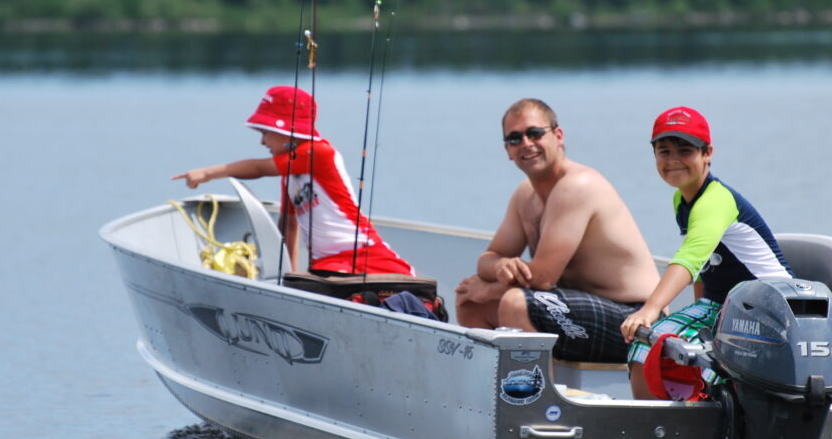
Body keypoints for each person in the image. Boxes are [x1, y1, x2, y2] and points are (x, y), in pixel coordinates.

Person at [455, 98, 661, 363]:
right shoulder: (524, 196)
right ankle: (494, 395)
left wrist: (489, 289)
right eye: (515, 138)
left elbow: (542, 278)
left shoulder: (577, 185)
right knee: (470, 302)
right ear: (508, 150)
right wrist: (500, 267)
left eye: (535, 133)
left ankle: (535, 401)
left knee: (515, 303)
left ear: (558, 135)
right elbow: (489, 257)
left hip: (637, 320)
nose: (526, 143)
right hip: (582, 309)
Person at [620, 106, 793, 399]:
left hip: (770, 310)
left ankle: (666, 429)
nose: (673, 160)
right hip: (724, 305)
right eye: (664, 152)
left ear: (707, 153)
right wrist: (692, 315)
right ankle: (661, 427)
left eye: (685, 151)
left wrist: (650, 310)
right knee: (651, 346)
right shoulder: (681, 199)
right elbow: (704, 268)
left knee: (650, 344)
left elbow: (689, 259)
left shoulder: (715, 201)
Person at [172, 85, 414, 276]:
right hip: (326, 263)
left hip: (363, 254)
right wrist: (289, 274)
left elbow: (258, 167)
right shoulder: (290, 175)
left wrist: (207, 173)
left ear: (287, 131)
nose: (262, 141)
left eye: (265, 132)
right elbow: (289, 226)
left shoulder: (319, 153)